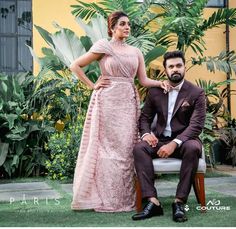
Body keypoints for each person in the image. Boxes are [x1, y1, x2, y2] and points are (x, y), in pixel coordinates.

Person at [70, 11, 170, 212]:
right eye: (123, 24)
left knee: (126, 149)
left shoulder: (136, 51)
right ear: (113, 27)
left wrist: (160, 82)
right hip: (106, 102)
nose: (127, 27)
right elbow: (75, 65)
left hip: (127, 103)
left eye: (129, 24)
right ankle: (106, 199)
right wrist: (93, 85)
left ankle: (127, 198)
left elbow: (142, 80)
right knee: (106, 150)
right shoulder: (103, 47)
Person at [132, 50, 206, 222]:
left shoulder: (196, 93)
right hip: (159, 140)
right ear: (165, 70)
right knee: (139, 148)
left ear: (185, 67)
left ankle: (179, 202)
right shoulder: (156, 91)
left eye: (178, 65)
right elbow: (144, 118)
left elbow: (196, 125)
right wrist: (146, 134)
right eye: (171, 66)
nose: (175, 69)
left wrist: (174, 143)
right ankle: (152, 202)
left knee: (193, 147)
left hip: (184, 141)